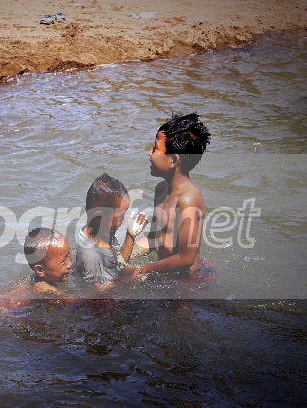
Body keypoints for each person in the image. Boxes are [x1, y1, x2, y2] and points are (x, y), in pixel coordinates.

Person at [121, 112, 213, 281]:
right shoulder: (161, 189)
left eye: (155, 149)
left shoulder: (189, 199)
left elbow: (186, 258)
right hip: (165, 273)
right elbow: (155, 239)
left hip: (188, 282)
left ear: (173, 160)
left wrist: (139, 270)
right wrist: (120, 256)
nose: (149, 152)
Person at [75, 173, 148, 287]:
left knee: (156, 241)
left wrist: (131, 235)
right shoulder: (93, 258)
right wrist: (128, 278)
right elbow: (100, 294)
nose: (123, 221)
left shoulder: (99, 232)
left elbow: (117, 264)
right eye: (120, 216)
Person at [0, 227, 73, 312]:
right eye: (63, 262)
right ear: (40, 270)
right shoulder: (44, 288)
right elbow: (73, 301)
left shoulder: (29, 280)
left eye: (69, 255)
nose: (69, 264)